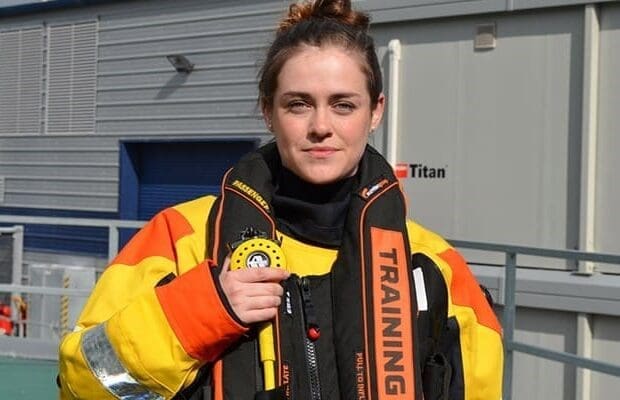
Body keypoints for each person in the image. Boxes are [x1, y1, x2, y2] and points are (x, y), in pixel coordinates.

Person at [58, 0, 503, 399]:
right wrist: (202, 310)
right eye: (298, 104)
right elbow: (81, 382)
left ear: (376, 112)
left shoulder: (433, 266)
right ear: (268, 110)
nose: (320, 126)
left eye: (343, 105)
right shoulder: (182, 239)